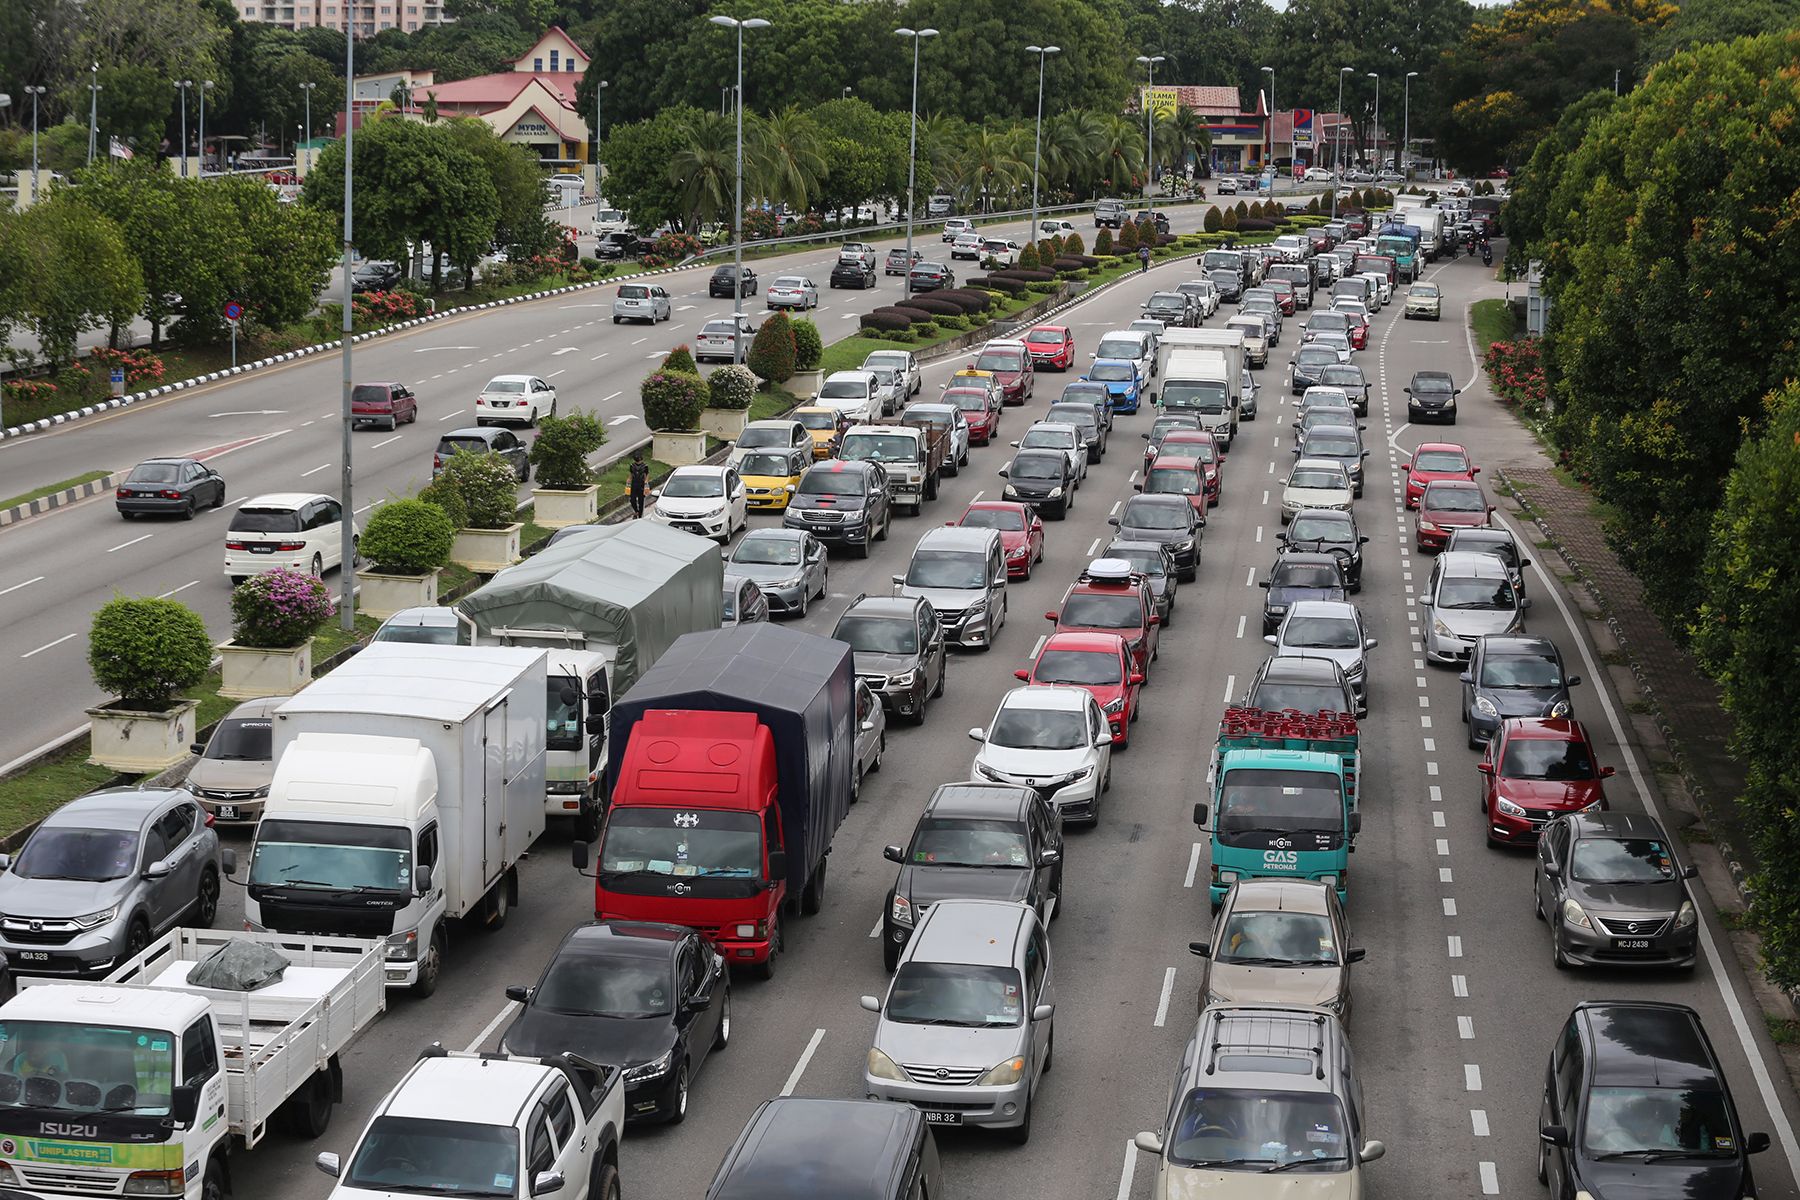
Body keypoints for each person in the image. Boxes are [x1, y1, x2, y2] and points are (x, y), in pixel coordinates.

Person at [627, 451, 649, 518]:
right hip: (634, 484)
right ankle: (636, 511)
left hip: (641, 484)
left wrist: (646, 482)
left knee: (641, 501)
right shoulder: (632, 466)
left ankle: (640, 515)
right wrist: (628, 481)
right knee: (632, 500)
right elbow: (631, 474)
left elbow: (646, 475)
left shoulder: (645, 466)